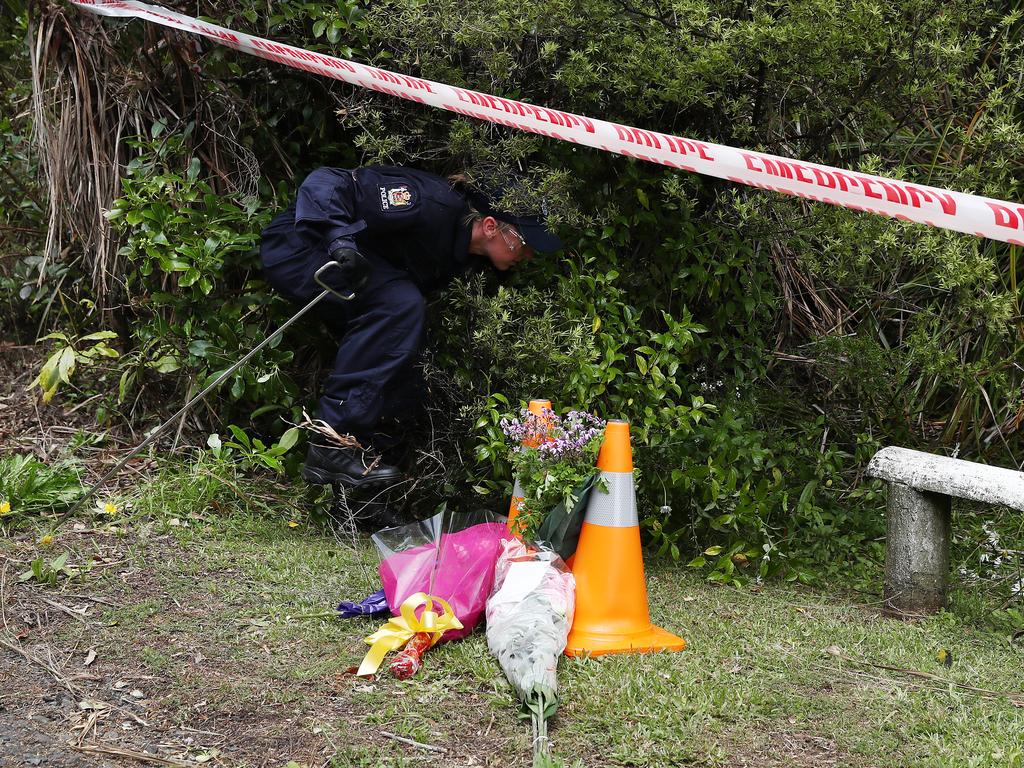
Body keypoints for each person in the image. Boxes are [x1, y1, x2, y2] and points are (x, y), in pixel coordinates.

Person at [260, 164, 563, 490]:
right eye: (524, 240)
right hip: (300, 247)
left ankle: (359, 494)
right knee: (400, 305)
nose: (530, 254)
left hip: (353, 270)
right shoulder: (429, 203)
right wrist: (340, 241)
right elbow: (327, 181)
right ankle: (331, 444)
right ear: (491, 226)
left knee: (408, 370)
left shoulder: (466, 255)